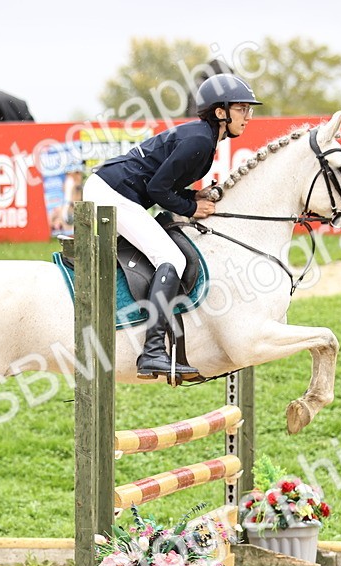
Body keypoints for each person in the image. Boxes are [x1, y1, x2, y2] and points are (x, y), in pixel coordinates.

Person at [82, 74, 260, 380]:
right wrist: (191, 207)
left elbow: (164, 185)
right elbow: (157, 189)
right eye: (242, 109)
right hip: (110, 194)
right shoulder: (200, 140)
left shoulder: (204, 138)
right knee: (172, 258)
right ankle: (152, 352)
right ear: (221, 112)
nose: (248, 116)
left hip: (116, 189)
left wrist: (192, 197)